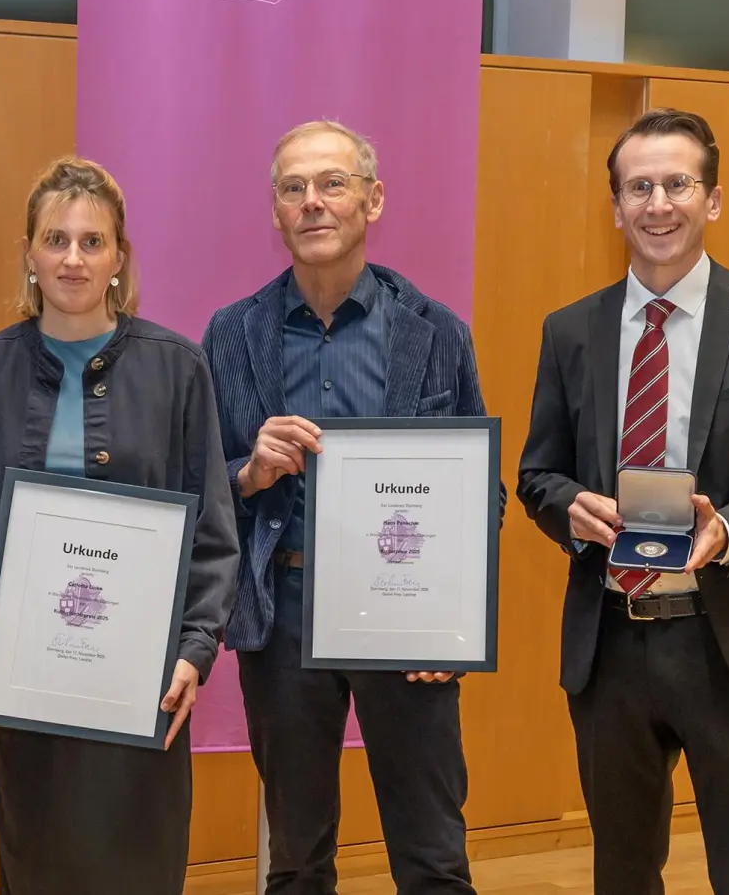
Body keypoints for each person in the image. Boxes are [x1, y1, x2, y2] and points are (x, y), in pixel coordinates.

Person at [517, 107, 729, 895]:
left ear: (713, 200)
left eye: (677, 184)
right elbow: (538, 473)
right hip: (612, 645)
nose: (658, 203)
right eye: (639, 187)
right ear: (616, 208)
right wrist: (569, 510)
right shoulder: (571, 331)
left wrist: (727, 527)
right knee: (622, 873)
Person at [0, 156, 239, 895]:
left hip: (144, 672)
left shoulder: (178, 368)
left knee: (137, 860)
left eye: (93, 242)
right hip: (26, 669)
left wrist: (194, 650)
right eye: (56, 239)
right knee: (37, 860)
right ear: (30, 255)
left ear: (119, 258)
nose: (73, 258)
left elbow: (212, 530)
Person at [202, 120, 497, 894]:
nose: (313, 202)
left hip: (407, 616)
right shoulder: (231, 335)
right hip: (285, 609)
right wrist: (248, 472)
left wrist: (451, 621)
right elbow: (202, 488)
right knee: (296, 854)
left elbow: (481, 492)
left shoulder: (437, 334)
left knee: (433, 851)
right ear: (275, 212)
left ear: (373, 199)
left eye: (332, 183)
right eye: (293, 188)